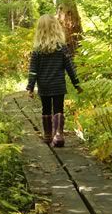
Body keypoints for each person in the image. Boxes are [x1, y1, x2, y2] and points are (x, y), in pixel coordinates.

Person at [26, 14, 83, 147]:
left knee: (46, 109)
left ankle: (47, 135)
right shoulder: (62, 48)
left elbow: (33, 70)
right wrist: (77, 84)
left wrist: (30, 87)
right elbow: (70, 68)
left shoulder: (37, 51)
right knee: (58, 109)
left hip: (44, 85)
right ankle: (59, 135)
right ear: (56, 28)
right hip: (58, 85)